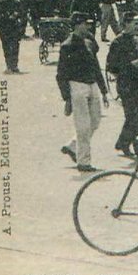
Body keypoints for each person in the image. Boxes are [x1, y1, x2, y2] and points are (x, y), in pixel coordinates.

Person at [57, 12, 109, 172]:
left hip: (92, 84)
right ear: (77, 25)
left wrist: (104, 90)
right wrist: (67, 98)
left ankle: (73, 146)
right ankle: (84, 161)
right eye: (85, 24)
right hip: (77, 86)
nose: (88, 26)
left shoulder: (89, 42)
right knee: (83, 125)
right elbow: (61, 74)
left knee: (95, 120)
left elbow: (95, 65)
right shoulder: (67, 45)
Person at [106, 14, 138, 156]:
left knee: (135, 117)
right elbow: (111, 67)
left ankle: (123, 143)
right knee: (133, 118)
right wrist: (129, 68)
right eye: (135, 24)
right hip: (127, 85)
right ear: (125, 24)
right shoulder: (117, 42)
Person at [0, 0, 26, 73]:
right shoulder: (1, 1)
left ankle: (14, 65)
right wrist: (5, 17)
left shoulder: (17, 2)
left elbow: (22, 14)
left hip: (14, 27)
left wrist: (17, 16)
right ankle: (8, 65)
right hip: (4, 27)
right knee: (6, 47)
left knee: (15, 46)